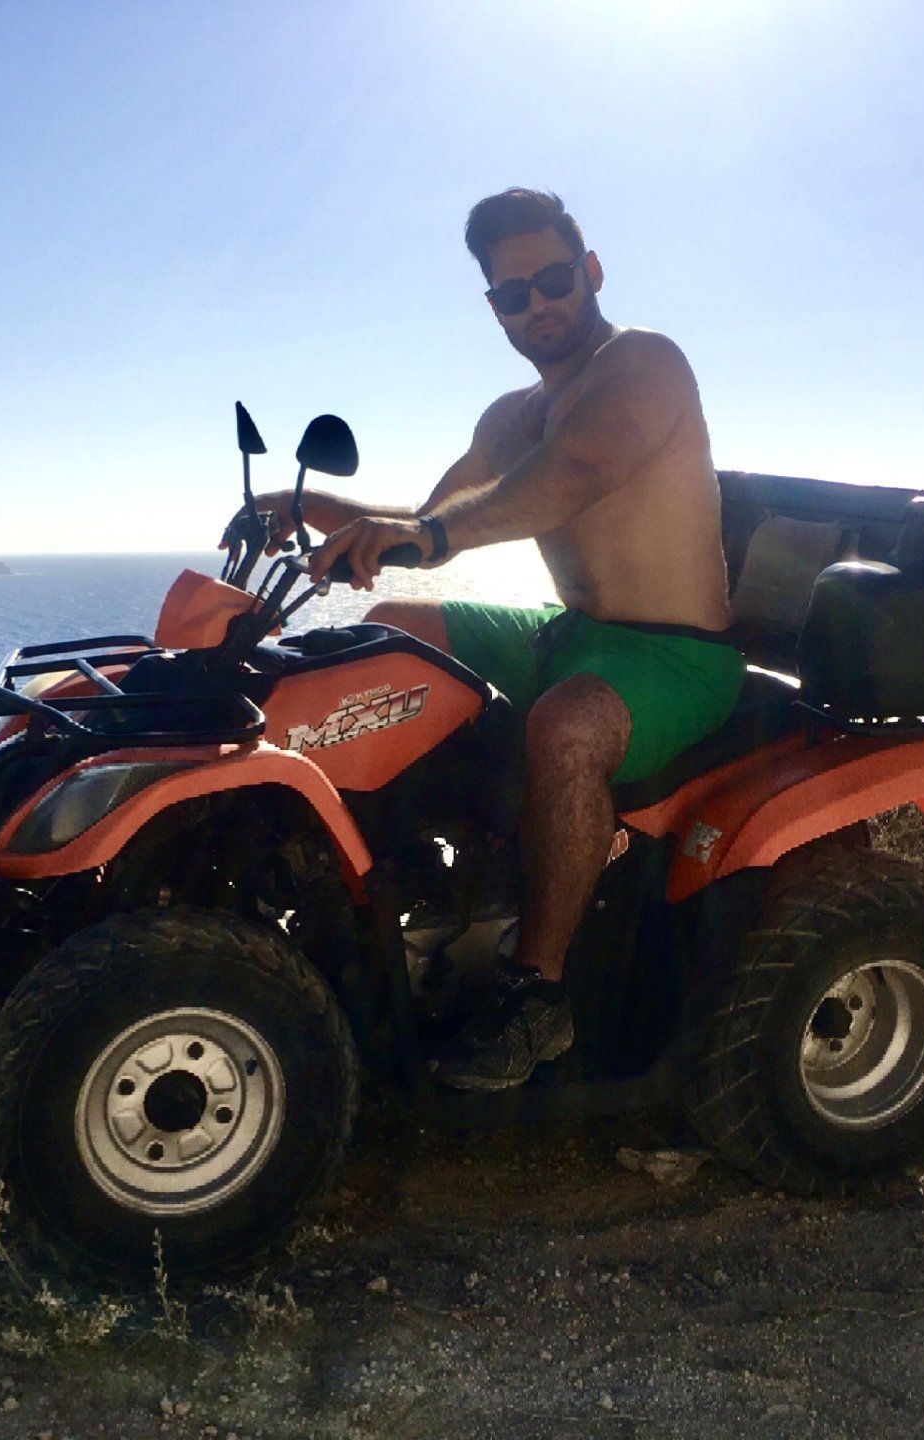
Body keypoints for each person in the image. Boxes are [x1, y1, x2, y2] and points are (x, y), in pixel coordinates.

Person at [240, 188, 740, 1090]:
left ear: (590, 272)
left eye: (553, 280)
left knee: (567, 726)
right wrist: (322, 511)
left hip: (675, 653)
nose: (538, 304)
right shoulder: (509, 416)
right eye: (514, 294)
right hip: (570, 632)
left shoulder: (645, 367)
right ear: (493, 308)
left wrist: (430, 539)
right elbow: (435, 515)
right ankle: (371, 890)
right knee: (392, 634)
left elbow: (573, 473)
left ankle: (536, 992)